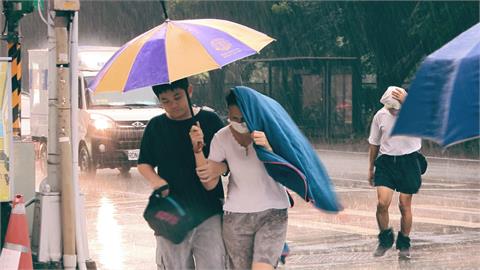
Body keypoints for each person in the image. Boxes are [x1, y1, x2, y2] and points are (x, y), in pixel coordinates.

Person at [189, 90, 290, 270]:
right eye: (234, 118)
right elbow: (209, 183)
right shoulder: (221, 137)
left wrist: (268, 148)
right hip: (236, 217)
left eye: (244, 119)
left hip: (273, 212)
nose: (240, 123)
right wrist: (198, 150)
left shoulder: (272, 131)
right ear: (228, 113)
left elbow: (288, 170)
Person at [138, 78, 226, 269]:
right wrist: (158, 182)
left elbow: (230, 159)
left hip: (208, 211)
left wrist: (220, 168)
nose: (173, 105)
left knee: (214, 265)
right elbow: (144, 163)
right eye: (166, 101)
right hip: (170, 213)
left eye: (177, 97)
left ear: (190, 91)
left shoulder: (210, 121)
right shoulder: (156, 126)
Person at [368, 86, 426, 260]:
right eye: (391, 108)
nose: (394, 111)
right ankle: (385, 238)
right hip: (386, 162)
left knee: (403, 205)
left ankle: (404, 243)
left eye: (398, 107)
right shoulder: (380, 116)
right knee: (382, 203)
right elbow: (374, 143)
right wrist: (371, 168)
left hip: (409, 162)